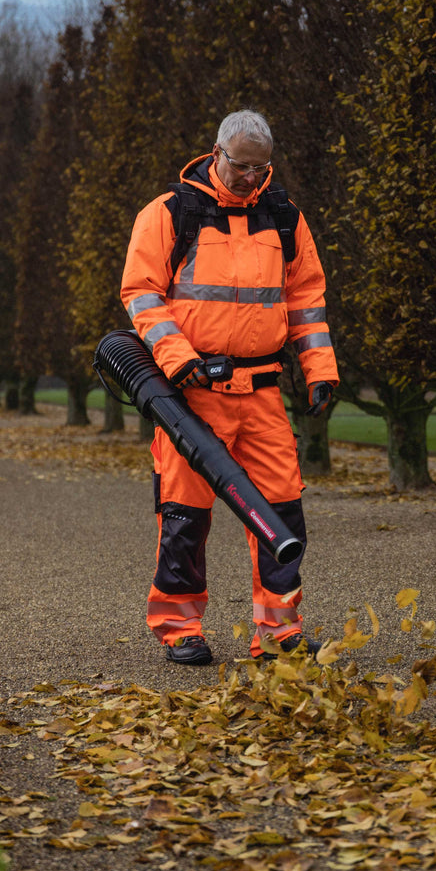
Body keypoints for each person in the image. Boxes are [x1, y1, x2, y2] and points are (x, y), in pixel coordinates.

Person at [119, 109, 337, 665]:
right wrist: (176, 357)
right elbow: (141, 294)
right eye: (241, 166)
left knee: (282, 512)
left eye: (261, 169)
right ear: (217, 153)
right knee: (186, 515)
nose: (251, 178)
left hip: (263, 391)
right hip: (193, 395)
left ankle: (280, 630)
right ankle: (178, 628)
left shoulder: (285, 217)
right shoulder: (171, 213)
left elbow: (307, 300)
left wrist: (320, 370)